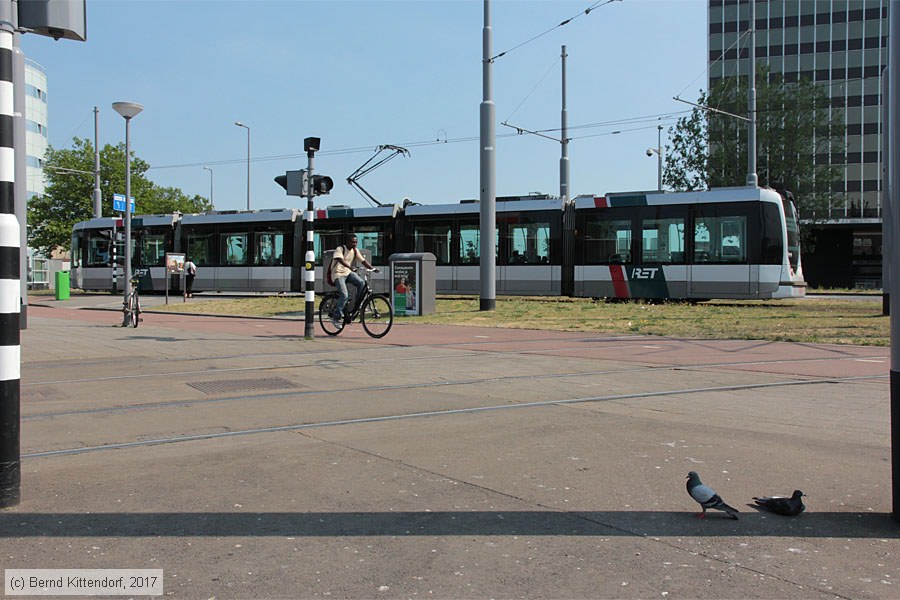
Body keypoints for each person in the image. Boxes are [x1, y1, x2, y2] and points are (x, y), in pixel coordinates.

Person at [330, 234, 378, 328]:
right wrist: (350, 267)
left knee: (362, 283)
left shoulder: (355, 251)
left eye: (356, 242)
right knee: (344, 295)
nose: (354, 244)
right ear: (347, 242)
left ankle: (358, 304)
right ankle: (336, 317)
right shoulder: (340, 249)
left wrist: (373, 268)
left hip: (348, 273)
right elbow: (340, 259)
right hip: (338, 274)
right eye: (352, 242)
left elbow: (363, 261)